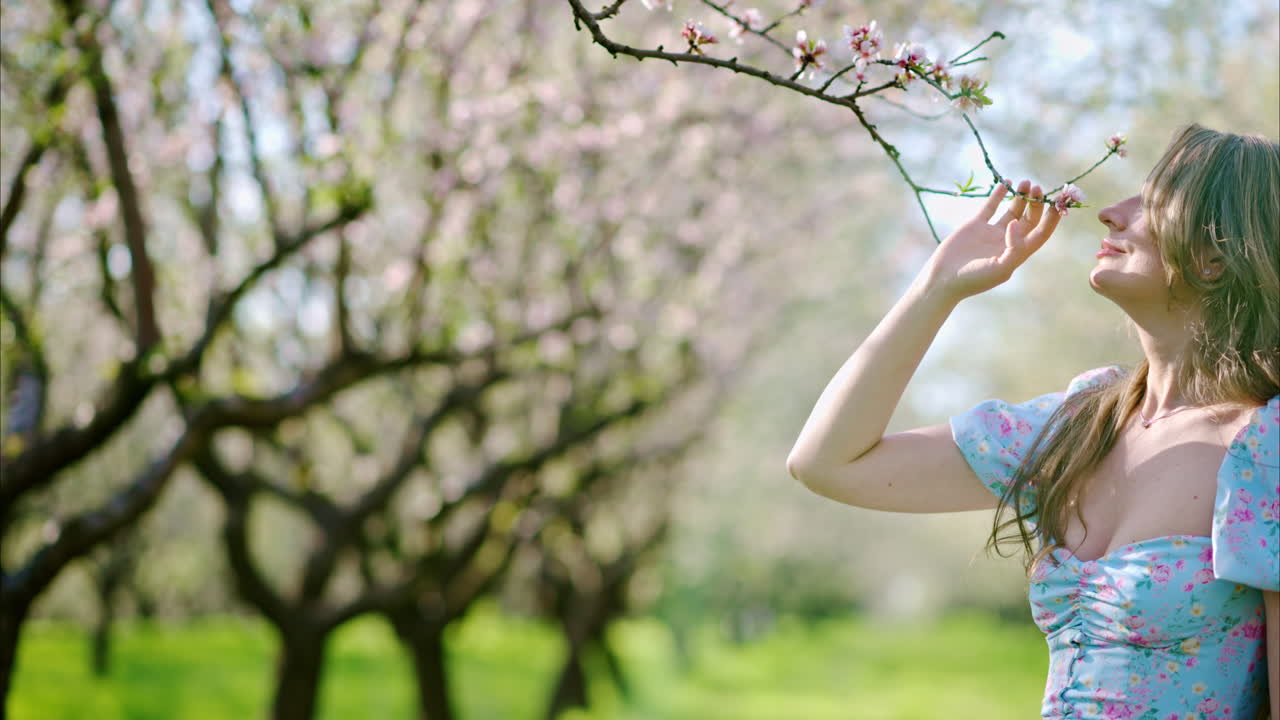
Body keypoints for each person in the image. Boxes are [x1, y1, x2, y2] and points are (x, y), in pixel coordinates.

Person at [786, 123, 1279, 719]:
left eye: (1151, 204)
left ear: (1216, 256)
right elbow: (827, 463)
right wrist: (936, 288)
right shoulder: (1082, 423)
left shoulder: (1264, 448)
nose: (1111, 215)